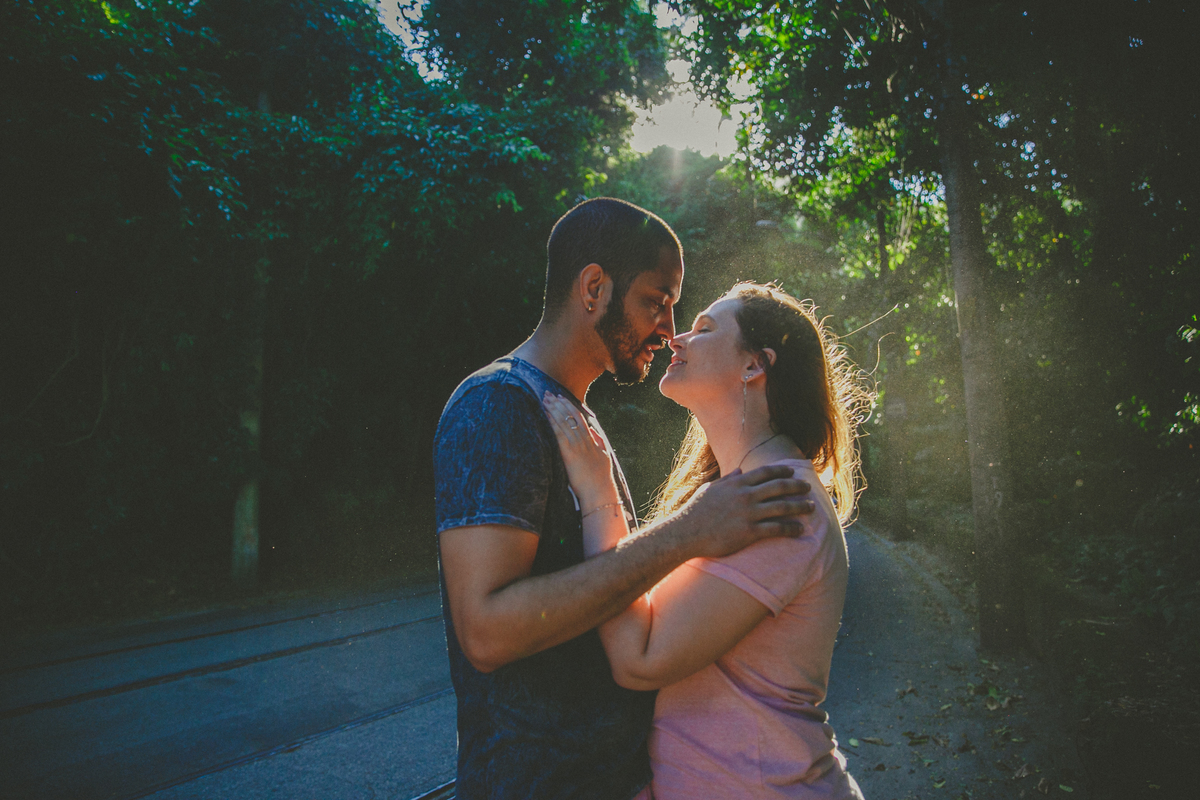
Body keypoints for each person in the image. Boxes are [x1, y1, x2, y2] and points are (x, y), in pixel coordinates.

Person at [433, 199, 816, 800]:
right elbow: (485, 632)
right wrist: (687, 534)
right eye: (655, 301)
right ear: (593, 286)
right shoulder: (498, 404)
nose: (669, 329)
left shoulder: (575, 418)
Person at [541, 282, 872, 799]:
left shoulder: (779, 500)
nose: (676, 338)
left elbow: (640, 659)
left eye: (703, 329)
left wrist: (597, 490)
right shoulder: (735, 495)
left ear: (753, 366)